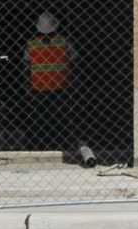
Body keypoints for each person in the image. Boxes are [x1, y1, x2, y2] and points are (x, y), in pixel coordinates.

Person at [25, 11, 96, 166]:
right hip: (59, 87)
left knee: (41, 120)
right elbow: (75, 62)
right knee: (60, 118)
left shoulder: (32, 44)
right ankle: (58, 144)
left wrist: (27, 86)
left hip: (39, 88)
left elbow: (26, 65)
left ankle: (41, 146)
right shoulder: (63, 42)